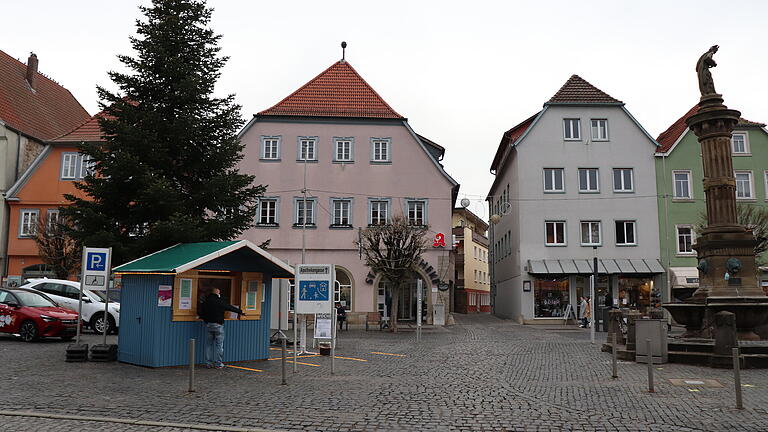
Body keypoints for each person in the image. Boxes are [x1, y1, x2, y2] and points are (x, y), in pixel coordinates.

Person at [198, 288, 244, 369]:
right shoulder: (220, 301)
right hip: (218, 325)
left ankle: (208, 363)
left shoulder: (206, 302)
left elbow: (201, 313)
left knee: (209, 345)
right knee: (219, 345)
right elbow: (230, 307)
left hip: (209, 325)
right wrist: (240, 312)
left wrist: (206, 321)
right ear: (217, 293)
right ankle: (218, 364)